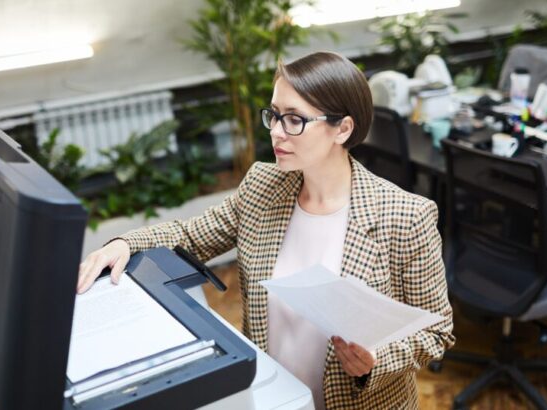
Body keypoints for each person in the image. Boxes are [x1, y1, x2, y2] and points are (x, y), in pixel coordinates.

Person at [77, 51, 454, 409]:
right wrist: (125, 242)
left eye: (294, 119)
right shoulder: (263, 185)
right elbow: (190, 236)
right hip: (275, 396)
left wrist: (375, 359)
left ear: (343, 129)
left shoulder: (405, 216)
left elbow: (436, 332)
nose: (276, 132)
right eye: (273, 115)